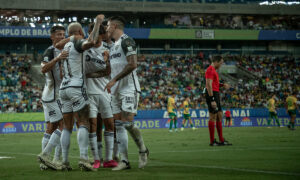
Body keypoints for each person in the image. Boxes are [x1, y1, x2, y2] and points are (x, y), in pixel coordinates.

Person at [56, 15, 104, 171]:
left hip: (64, 89)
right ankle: (84, 158)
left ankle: (64, 161)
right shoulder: (76, 43)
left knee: (67, 127)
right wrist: (97, 23)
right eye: (82, 31)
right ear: (78, 31)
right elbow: (90, 42)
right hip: (76, 87)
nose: (84, 33)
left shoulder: (65, 46)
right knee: (83, 123)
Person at [105, 16, 149, 171]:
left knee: (128, 123)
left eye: (108, 26)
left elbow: (132, 64)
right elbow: (114, 68)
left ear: (115, 26)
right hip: (115, 91)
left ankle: (143, 150)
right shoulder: (113, 47)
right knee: (118, 126)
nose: (106, 28)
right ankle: (125, 161)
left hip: (128, 88)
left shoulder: (127, 41)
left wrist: (114, 80)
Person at [84, 22, 118, 168]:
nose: (95, 35)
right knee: (93, 125)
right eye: (93, 32)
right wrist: (90, 74)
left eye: (98, 32)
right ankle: (96, 158)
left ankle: (109, 159)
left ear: (102, 35)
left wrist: (107, 62)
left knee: (110, 124)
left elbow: (109, 72)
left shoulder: (108, 49)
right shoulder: (83, 48)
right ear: (89, 33)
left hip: (104, 92)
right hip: (89, 93)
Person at [37, 25, 67, 170]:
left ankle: (46, 162)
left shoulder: (66, 50)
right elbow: (43, 69)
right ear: (52, 37)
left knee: (51, 127)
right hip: (53, 95)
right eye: (59, 34)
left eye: (63, 34)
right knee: (64, 125)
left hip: (56, 94)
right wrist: (57, 59)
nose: (61, 37)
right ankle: (50, 158)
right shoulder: (50, 51)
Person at [205, 55, 232, 146]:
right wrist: (212, 99)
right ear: (216, 62)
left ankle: (221, 140)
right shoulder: (210, 70)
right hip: (211, 94)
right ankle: (212, 141)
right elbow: (209, 85)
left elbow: (214, 83)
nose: (221, 65)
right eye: (220, 63)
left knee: (219, 115)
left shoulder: (214, 71)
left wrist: (222, 85)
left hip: (216, 93)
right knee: (212, 117)